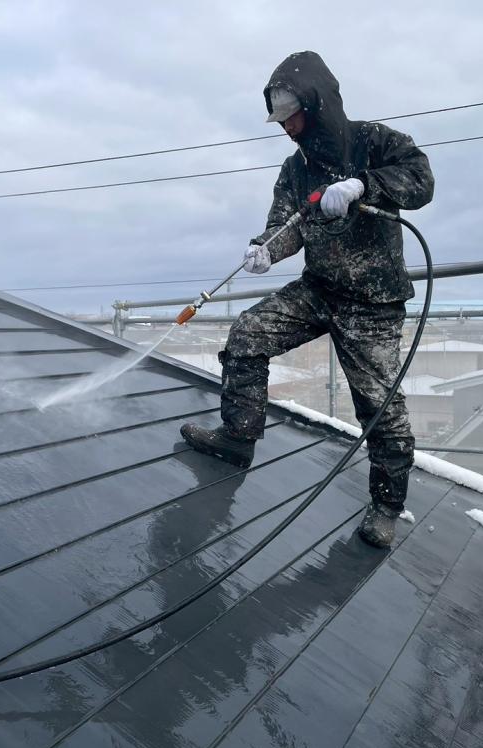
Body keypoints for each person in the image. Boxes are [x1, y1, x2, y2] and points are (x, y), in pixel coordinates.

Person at [180, 51, 434, 548]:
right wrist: (265, 249)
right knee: (248, 333)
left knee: (380, 406)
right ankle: (237, 438)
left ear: (317, 105)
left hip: (372, 302)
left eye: (292, 117)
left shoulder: (374, 141)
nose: (287, 128)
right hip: (319, 290)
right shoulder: (294, 169)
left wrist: (365, 184)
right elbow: (286, 226)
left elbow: (421, 181)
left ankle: (386, 505)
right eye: (280, 120)